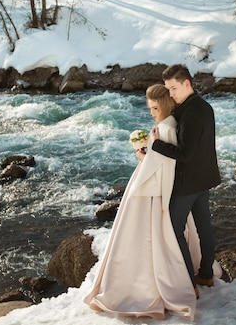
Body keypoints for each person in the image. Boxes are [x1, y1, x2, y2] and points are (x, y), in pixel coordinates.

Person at [84, 84, 202, 320]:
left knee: (143, 236)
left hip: (152, 190)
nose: (152, 112)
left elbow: (164, 166)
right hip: (154, 185)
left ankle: (148, 287)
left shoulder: (167, 127)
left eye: (155, 107)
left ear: (166, 105)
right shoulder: (168, 124)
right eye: (150, 108)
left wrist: (141, 155)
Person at [150, 64, 221, 290]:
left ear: (186, 83)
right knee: (204, 228)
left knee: (174, 229)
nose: (170, 94)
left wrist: (155, 144)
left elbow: (185, 154)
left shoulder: (190, 112)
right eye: (168, 90)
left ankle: (188, 282)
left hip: (188, 184)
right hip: (205, 179)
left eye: (173, 89)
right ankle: (206, 274)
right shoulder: (204, 106)